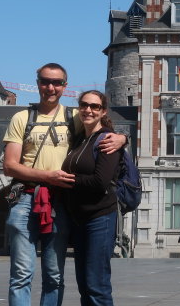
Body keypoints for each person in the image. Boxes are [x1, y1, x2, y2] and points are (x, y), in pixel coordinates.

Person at [3, 63, 126, 306]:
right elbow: (10, 166)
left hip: (60, 202)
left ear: (64, 86)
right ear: (38, 83)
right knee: (20, 275)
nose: (51, 87)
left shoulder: (74, 117)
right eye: (45, 81)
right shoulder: (22, 117)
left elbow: (100, 129)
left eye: (57, 82)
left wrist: (123, 137)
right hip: (26, 198)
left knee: (54, 276)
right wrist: (47, 177)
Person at [62, 90, 120, 305]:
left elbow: (100, 182)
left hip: (100, 217)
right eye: (84, 105)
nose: (88, 110)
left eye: (95, 106)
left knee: (97, 285)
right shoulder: (78, 139)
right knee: (84, 285)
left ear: (103, 111)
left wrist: (67, 180)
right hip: (80, 220)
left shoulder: (107, 140)